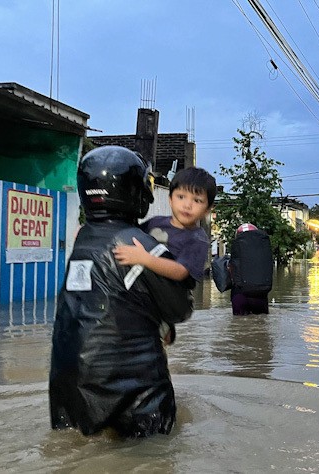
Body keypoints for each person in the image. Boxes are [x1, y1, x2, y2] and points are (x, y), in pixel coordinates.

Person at [49, 145, 193, 438]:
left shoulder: (81, 241)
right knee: (152, 457)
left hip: (67, 379)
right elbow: (181, 308)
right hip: (131, 385)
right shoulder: (141, 245)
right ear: (135, 192)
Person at [112, 166, 216, 289]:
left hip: (171, 302)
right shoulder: (155, 222)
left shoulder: (197, 239)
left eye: (197, 201)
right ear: (170, 199)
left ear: (207, 210)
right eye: (181, 197)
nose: (187, 205)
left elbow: (180, 272)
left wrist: (145, 259)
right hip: (143, 293)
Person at [228, 223, 273, 315]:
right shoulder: (263, 253)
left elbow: (230, 272)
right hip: (261, 295)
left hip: (240, 294)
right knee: (262, 325)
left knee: (238, 325)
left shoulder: (237, 250)